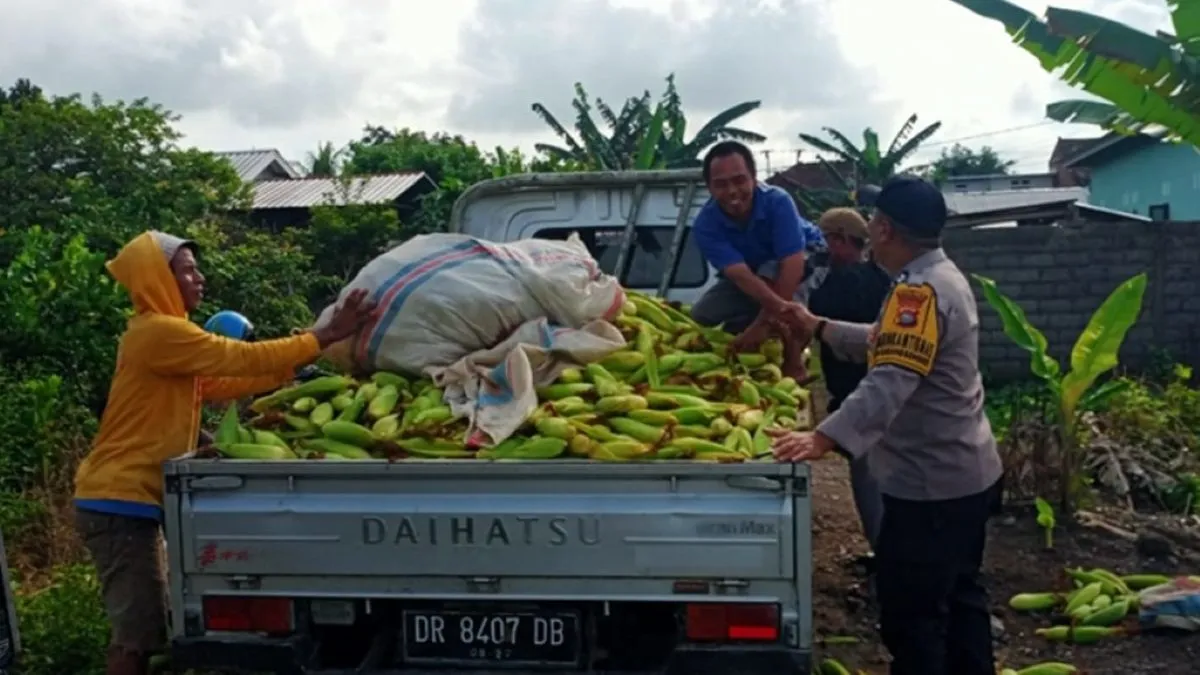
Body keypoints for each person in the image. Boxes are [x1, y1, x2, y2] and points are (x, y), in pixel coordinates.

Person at [73, 230, 376, 675]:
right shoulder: (159, 333)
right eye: (188, 270)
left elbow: (227, 383)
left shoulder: (166, 339)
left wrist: (293, 372)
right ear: (158, 278)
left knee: (147, 628)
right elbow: (237, 358)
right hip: (118, 499)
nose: (200, 278)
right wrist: (323, 334)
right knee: (136, 637)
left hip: (132, 500)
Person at [770, 176, 1003, 675]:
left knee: (912, 617)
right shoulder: (940, 277)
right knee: (962, 600)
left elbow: (890, 381)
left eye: (875, 222)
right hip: (967, 475)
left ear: (884, 229)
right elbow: (886, 341)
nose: (872, 230)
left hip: (930, 487)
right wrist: (818, 327)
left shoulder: (918, 292)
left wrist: (822, 436)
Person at [688, 141, 825, 379]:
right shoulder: (705, 225)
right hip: (752, 268)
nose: (732, 191)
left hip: (806, 253)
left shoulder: (777, 202)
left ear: (754, 178)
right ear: (709, 188)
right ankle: (741, 356)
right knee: (702, 313)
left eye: (739, 180)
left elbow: (791, 265)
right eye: (720, 184)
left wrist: (763, 323)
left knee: (780, 293)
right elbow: (740, 276)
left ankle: (794, 363)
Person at [801, 207, 891, 562]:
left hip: (862, 397)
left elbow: (814, 317)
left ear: (838, 241)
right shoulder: (879, 279)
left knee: (868, 482)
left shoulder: (842, 282)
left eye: (823, 241)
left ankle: (885, 557)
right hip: (879, 397)